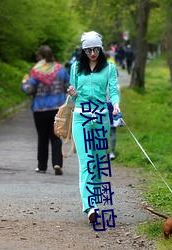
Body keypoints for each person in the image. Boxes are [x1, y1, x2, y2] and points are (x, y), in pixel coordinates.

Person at [67, 31, 120, 223]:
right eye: (88, 50)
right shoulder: (75, 68)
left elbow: (113, 90)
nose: (92, 53)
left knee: (97, 163)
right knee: (87, 161)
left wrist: (115, 104)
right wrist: (72, 92)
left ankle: (95, 200)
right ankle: (90, 206)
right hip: (81, 118)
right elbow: (73, 97)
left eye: (96, 49)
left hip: (101, 118)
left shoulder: (109, 68)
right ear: (83, 50)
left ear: (101, 48)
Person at [21, 45, 70, 175]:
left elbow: (29, 90)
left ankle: (42, 166)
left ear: (40, 57)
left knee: (42, 138)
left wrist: (24, 83)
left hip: (40, 109)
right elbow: (68, 87)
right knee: (56, 137)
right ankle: (57, 163)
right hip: (57, 109)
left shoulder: (36, 71)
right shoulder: (61, 70)